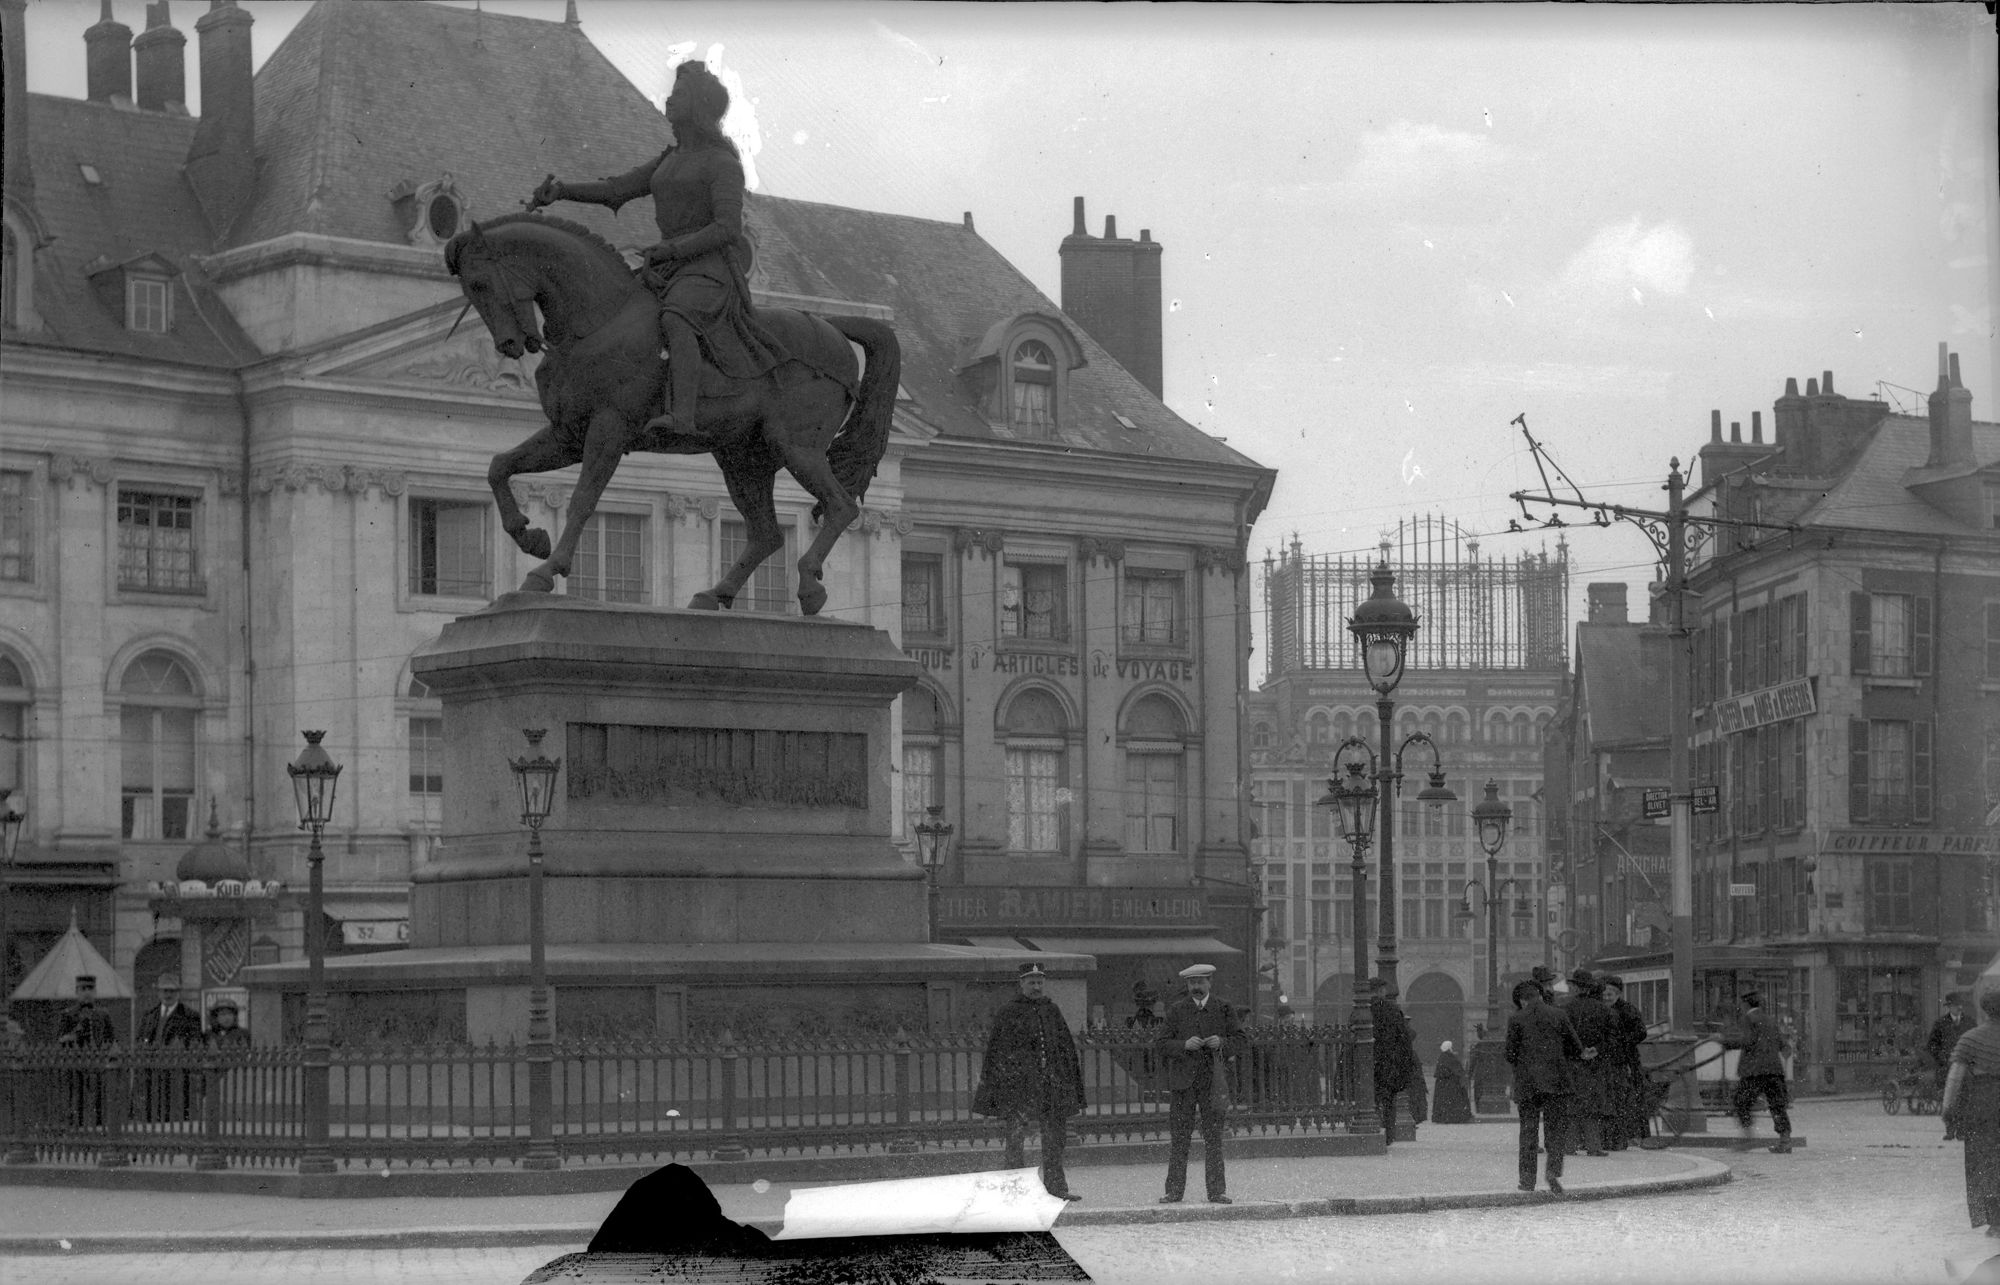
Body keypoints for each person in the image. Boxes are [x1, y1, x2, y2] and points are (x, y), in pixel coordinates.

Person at [528, 60, 794, 445]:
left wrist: (672, 248)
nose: (670, 99)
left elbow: (726, 229)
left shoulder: (722, 164)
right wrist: (564, 191)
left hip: (710, 271)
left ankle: (682, 416)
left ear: (699, 106)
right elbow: (617, 190)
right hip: (670, 268)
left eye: (680, 93)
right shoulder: (670, 159)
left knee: (676, 319)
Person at [972, 963, 1085, 1202]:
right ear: (1021, 983)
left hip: (1050, 1088)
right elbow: (997, 1053)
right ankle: (1015, 1192)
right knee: (1015, 1141)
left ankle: (1056, 1189)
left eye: (1039, 982)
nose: (1036, 987)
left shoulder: (1052, 1010)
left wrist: (1068, 1083)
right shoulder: (1008, 1012)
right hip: (1020, 1089)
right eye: (1031, 982)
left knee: (1055, 1139)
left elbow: (1065, 1049)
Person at [1154, 963, 1246, 1204]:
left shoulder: (1223, 1008)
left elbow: (1242, 1040)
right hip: (1183, 1086)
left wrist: (1222, 1042)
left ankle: (1216, 1191)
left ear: (1209, 983)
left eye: (1200, 982)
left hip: (1212, 1085)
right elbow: (1161, 1043)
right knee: (1180, 1139)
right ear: (1187, 985)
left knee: (1214, 1139)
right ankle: (1174, 1192)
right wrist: (1183, 1045)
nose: (1196, 987)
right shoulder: (1176, 1010)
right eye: (1191, 983)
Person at [1505, 977, 1584, 1194]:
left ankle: (1527, 1180)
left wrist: (1525, 1063)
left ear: (1522, 1000)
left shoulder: (1516, 1019)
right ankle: (1553, 1172)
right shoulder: (1559, 1015)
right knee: (1556, 1131)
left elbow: (1509, 1054)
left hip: (1528, 1084)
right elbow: (1576, 1048)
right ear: (1540, 996)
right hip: (1556, 1083)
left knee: (1528, 1132)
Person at [1942, 989, 2000, 1235]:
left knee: (1984, 1163)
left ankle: (1996, 1221)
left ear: (1984, 1008)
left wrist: (1948, 1110)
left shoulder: (1970, 1038)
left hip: (1983, 1106)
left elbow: (1954, 1079)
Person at [1721, 990, 1793, 1154]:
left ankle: (1747, 1137)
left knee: (1740, 1102)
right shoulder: (1770, 1020)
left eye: (1741, 1004)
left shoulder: (1748, 1019)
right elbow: (1783, 1043)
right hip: (1774, 1070)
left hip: (1754, 1071)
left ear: (1746, 1004)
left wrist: (1727, 1043)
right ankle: (1785, 1141)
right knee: (1777, 1106)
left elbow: (1748, 1040)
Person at [136, 974, 202, 1122]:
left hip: (176, 1075)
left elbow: (195, 1044)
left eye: (172, 991)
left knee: (175, 1117)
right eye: (165, 991)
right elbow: (139, 1041)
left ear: (179, 993)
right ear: (158, 992)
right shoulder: (149, 1016)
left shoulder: (190, 1016)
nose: (168, 994)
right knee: (152, 1116)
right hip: (152, 1074)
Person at [1563, 969, 1614, 1156]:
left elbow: (1563, 1038)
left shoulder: (1565, 1008)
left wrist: (1578, 1051)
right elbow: (1611, 1038)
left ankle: (1569, 1145)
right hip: (1595, 1064)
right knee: (1592, 1106)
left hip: (1573, 1063)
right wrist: (1596, 1050)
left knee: (1573, 1104)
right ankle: (1594, 1146)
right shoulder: (1603, 1009)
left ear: (1576, 987)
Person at [56, 974, 116, 1128]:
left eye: (90, 988)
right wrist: (74, 1034)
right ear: (76, 991)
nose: (87, 992)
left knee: (99, 1102)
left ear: (95, 991)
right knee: (77, 1102)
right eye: (83, 989)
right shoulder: (68, 1014)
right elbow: (60, 1040)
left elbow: (111, 1039)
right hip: (76, 1067)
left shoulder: (103, 1014)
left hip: (98, 1066)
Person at [1600, 974, 1650, 1150]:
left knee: (1628, 1098)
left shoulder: (1628, 1010)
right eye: (1604, 994)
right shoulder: (1604, 1010)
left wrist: (1623, 1042)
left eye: (1610, 995)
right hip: (1611, 1059)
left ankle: (1629, 1135)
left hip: (1627, 1059)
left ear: (1618, 994)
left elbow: (1641, 1032)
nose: (1606, 998)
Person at [1369, 978, 1416, 1143]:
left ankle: (1370, 1129)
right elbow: (1404, 1037)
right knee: (1389, 1100)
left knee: (1369, 1101)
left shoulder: (1362, 1010)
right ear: (1382, 991)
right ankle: (1389, 1135)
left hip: (1368, 1063)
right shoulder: (1392, 1010)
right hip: (1389, 1063)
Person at [1933, 993, 1979, 1140]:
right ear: (1949, 1007)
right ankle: (1950, 1130)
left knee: (1964, 1099)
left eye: (1961, 1005)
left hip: (1965, 1068)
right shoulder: (1940, 1024)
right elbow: (1932, 1046)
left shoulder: (1970, 1023)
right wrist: (1942, 1059)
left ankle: (1961, 1131)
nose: (1959, 1007)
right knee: (1949, 1100)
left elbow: (1977, 1044)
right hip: (1947, 1069)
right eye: (1955, 1005)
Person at [1431, 1040, 1474, 1123]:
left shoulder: (1443, 1057)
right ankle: (1455, 1116)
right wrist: (1462, 1075)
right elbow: (1456, 1069)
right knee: (1454, 1100)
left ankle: (1445, 1116)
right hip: (1451, 1084)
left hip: (1445, 1084)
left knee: (1445, 1101)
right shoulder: (1449, 1058)